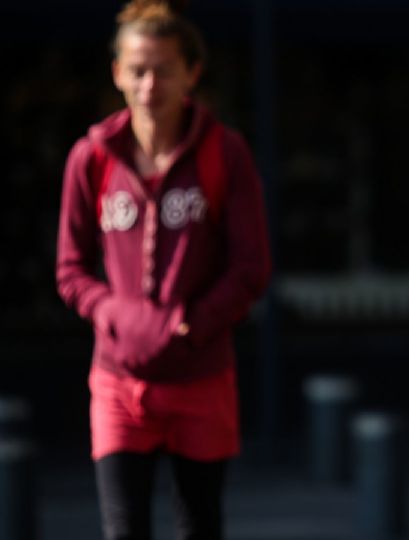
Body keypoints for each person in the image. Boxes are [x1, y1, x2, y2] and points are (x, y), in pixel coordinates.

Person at [55, 1, 270, 538]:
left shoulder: (225, 153)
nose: (150, 85)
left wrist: (192, 325)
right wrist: (118, 315)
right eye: (138, 70)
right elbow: (71, 269)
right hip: (119, 382)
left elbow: (251, 267)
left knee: (199, 523)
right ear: (118, 74)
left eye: (164, 69)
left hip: (201, 378)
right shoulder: (92, 157)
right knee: (123, 527)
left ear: (192, 73)